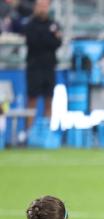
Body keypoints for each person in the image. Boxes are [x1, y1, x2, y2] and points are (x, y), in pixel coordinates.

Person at [22, 0, 61, 132]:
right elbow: (33, 42)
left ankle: (46, 133)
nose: (43, 9)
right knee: (32, 100)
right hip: (34, 67)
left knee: (49, 100)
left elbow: (57, 43)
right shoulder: (30, 25)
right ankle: (29, 133)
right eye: (40, 6)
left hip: (49, 67)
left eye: (45, 6)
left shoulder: (54, 24)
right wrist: (48, 38)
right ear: (35, 7)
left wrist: (47, 39)